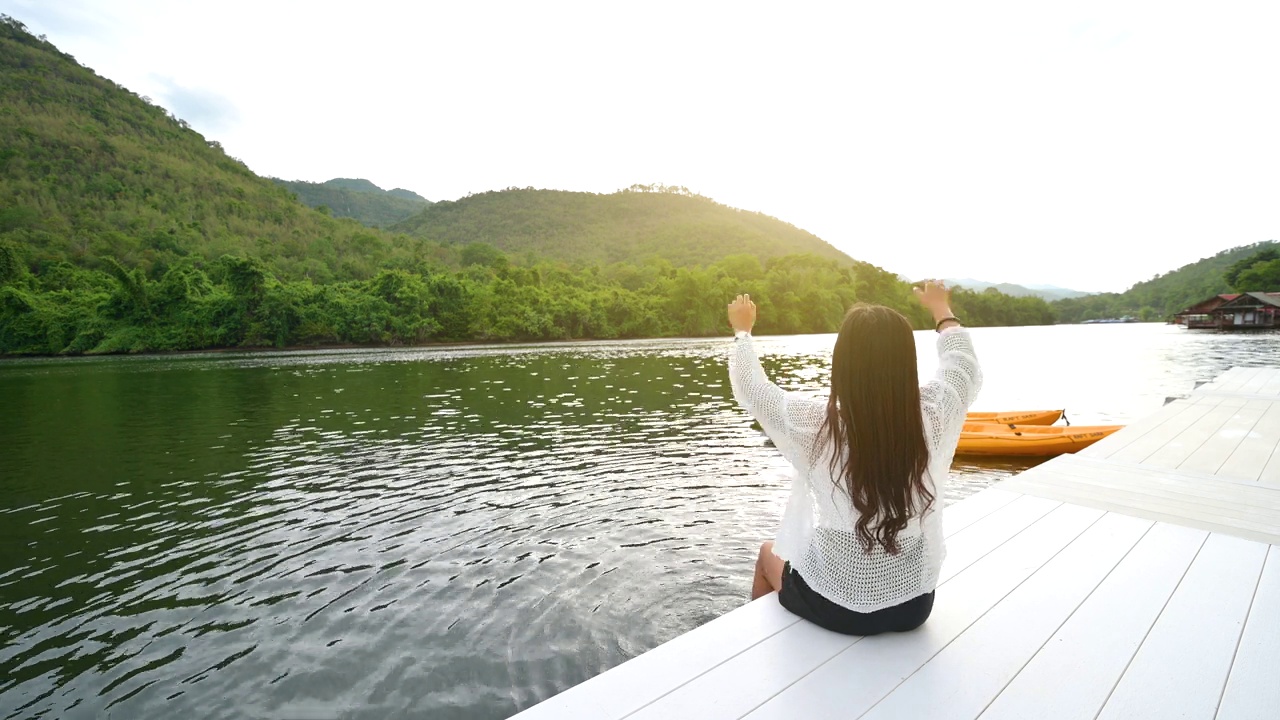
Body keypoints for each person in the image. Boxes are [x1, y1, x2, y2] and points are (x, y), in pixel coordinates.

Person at [726, 283, 980, 635]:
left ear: (843, 363)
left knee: (767, 553)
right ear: (906, 362)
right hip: (914, 605)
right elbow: (962, 365)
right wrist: (941, 310)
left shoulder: (818, 428)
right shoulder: (934, 413)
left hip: (838, 606)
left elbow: (755, 390)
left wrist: (742, 332)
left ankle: (755, 643)